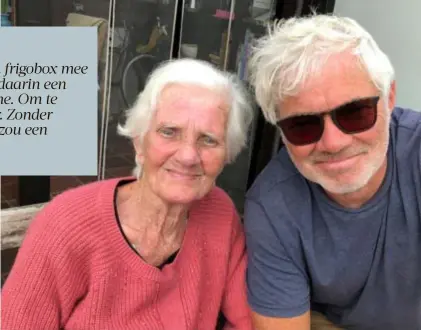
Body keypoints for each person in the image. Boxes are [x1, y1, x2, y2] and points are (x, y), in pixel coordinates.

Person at [1, 58, 254, 330]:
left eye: (208, 140)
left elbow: (246, 321)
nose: (188, 156)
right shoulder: (66, 225)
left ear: (227, 154)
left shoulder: (220, 213)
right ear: (139, 141)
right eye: (169, 132)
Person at [244, 13, 421, 330]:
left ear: (390, 97)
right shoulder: (272, 204)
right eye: (302, 125)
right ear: (280, 132)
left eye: (355, 112)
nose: (333, 142)